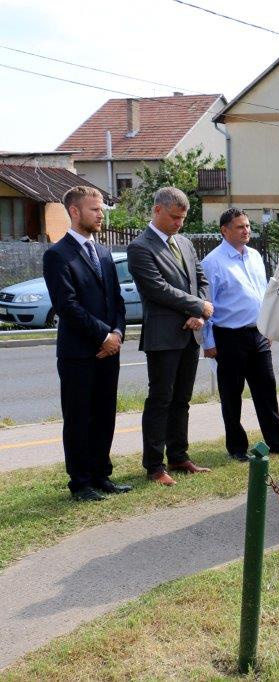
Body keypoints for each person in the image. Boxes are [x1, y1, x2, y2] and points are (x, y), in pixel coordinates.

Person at [42, 186, 130, 501]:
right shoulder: (57, 255)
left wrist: (117, 334)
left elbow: (117, 300)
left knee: (105, 414)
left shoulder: (105, 253)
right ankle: (79, 483)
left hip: (109, 351)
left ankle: (101, 475)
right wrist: (103, 335)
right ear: (75, 212)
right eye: (95, 209)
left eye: (102, 209)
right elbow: (67, 306)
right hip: (79, 353)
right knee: (79, 418)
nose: (101, 214)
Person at [127, 187, 213, 486]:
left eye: (182, 218)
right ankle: (154, 465)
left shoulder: (186, 244)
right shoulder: (140, 247)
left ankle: (178, 456)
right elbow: (155, 288)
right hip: (163, 336)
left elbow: (201, 280)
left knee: (182, 400)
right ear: (157, 211)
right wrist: (197, 305)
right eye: (174, 217)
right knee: (160, 400)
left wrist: (200, 312)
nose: (179, 223)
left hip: (191, 333)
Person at [201, 208, 279, 462]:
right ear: (224, 230)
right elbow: (207, 303)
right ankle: (237, 447)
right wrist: (209, 341)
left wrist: (267, 326)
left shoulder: (255, 256)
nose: (246, 231)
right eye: (240, 227)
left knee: (266, 390)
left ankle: (276, 441)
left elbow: (263, 294)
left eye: (248, 226)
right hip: (229, 337)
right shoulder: (212, 262)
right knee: (232, 394)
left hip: (257, 334)